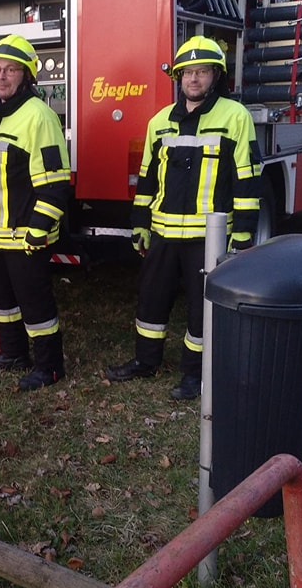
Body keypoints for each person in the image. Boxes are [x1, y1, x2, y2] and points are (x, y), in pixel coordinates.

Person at [104, 35, 262, 400]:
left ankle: (194, 374)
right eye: (187, 72)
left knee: (200, 309)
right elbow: (147, 178)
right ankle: (146, 361)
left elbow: (247, 180)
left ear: (216, 76)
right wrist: (140, 224)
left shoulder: (235, 117)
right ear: (178, 77)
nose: (194, 79)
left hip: (208, 238)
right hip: (162, 234)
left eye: (202, 71)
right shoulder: (159, 121)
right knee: (151, 300)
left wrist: (243, 235)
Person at [0, 34, 71, 391]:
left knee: (35, 304)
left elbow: (55, 183)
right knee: (2, 302)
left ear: (27, 75)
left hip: (25, 235)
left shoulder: (39, 117)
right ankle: (13, 353)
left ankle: (49, 367)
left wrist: (38, 229)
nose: (1, 76)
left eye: (10, 70)